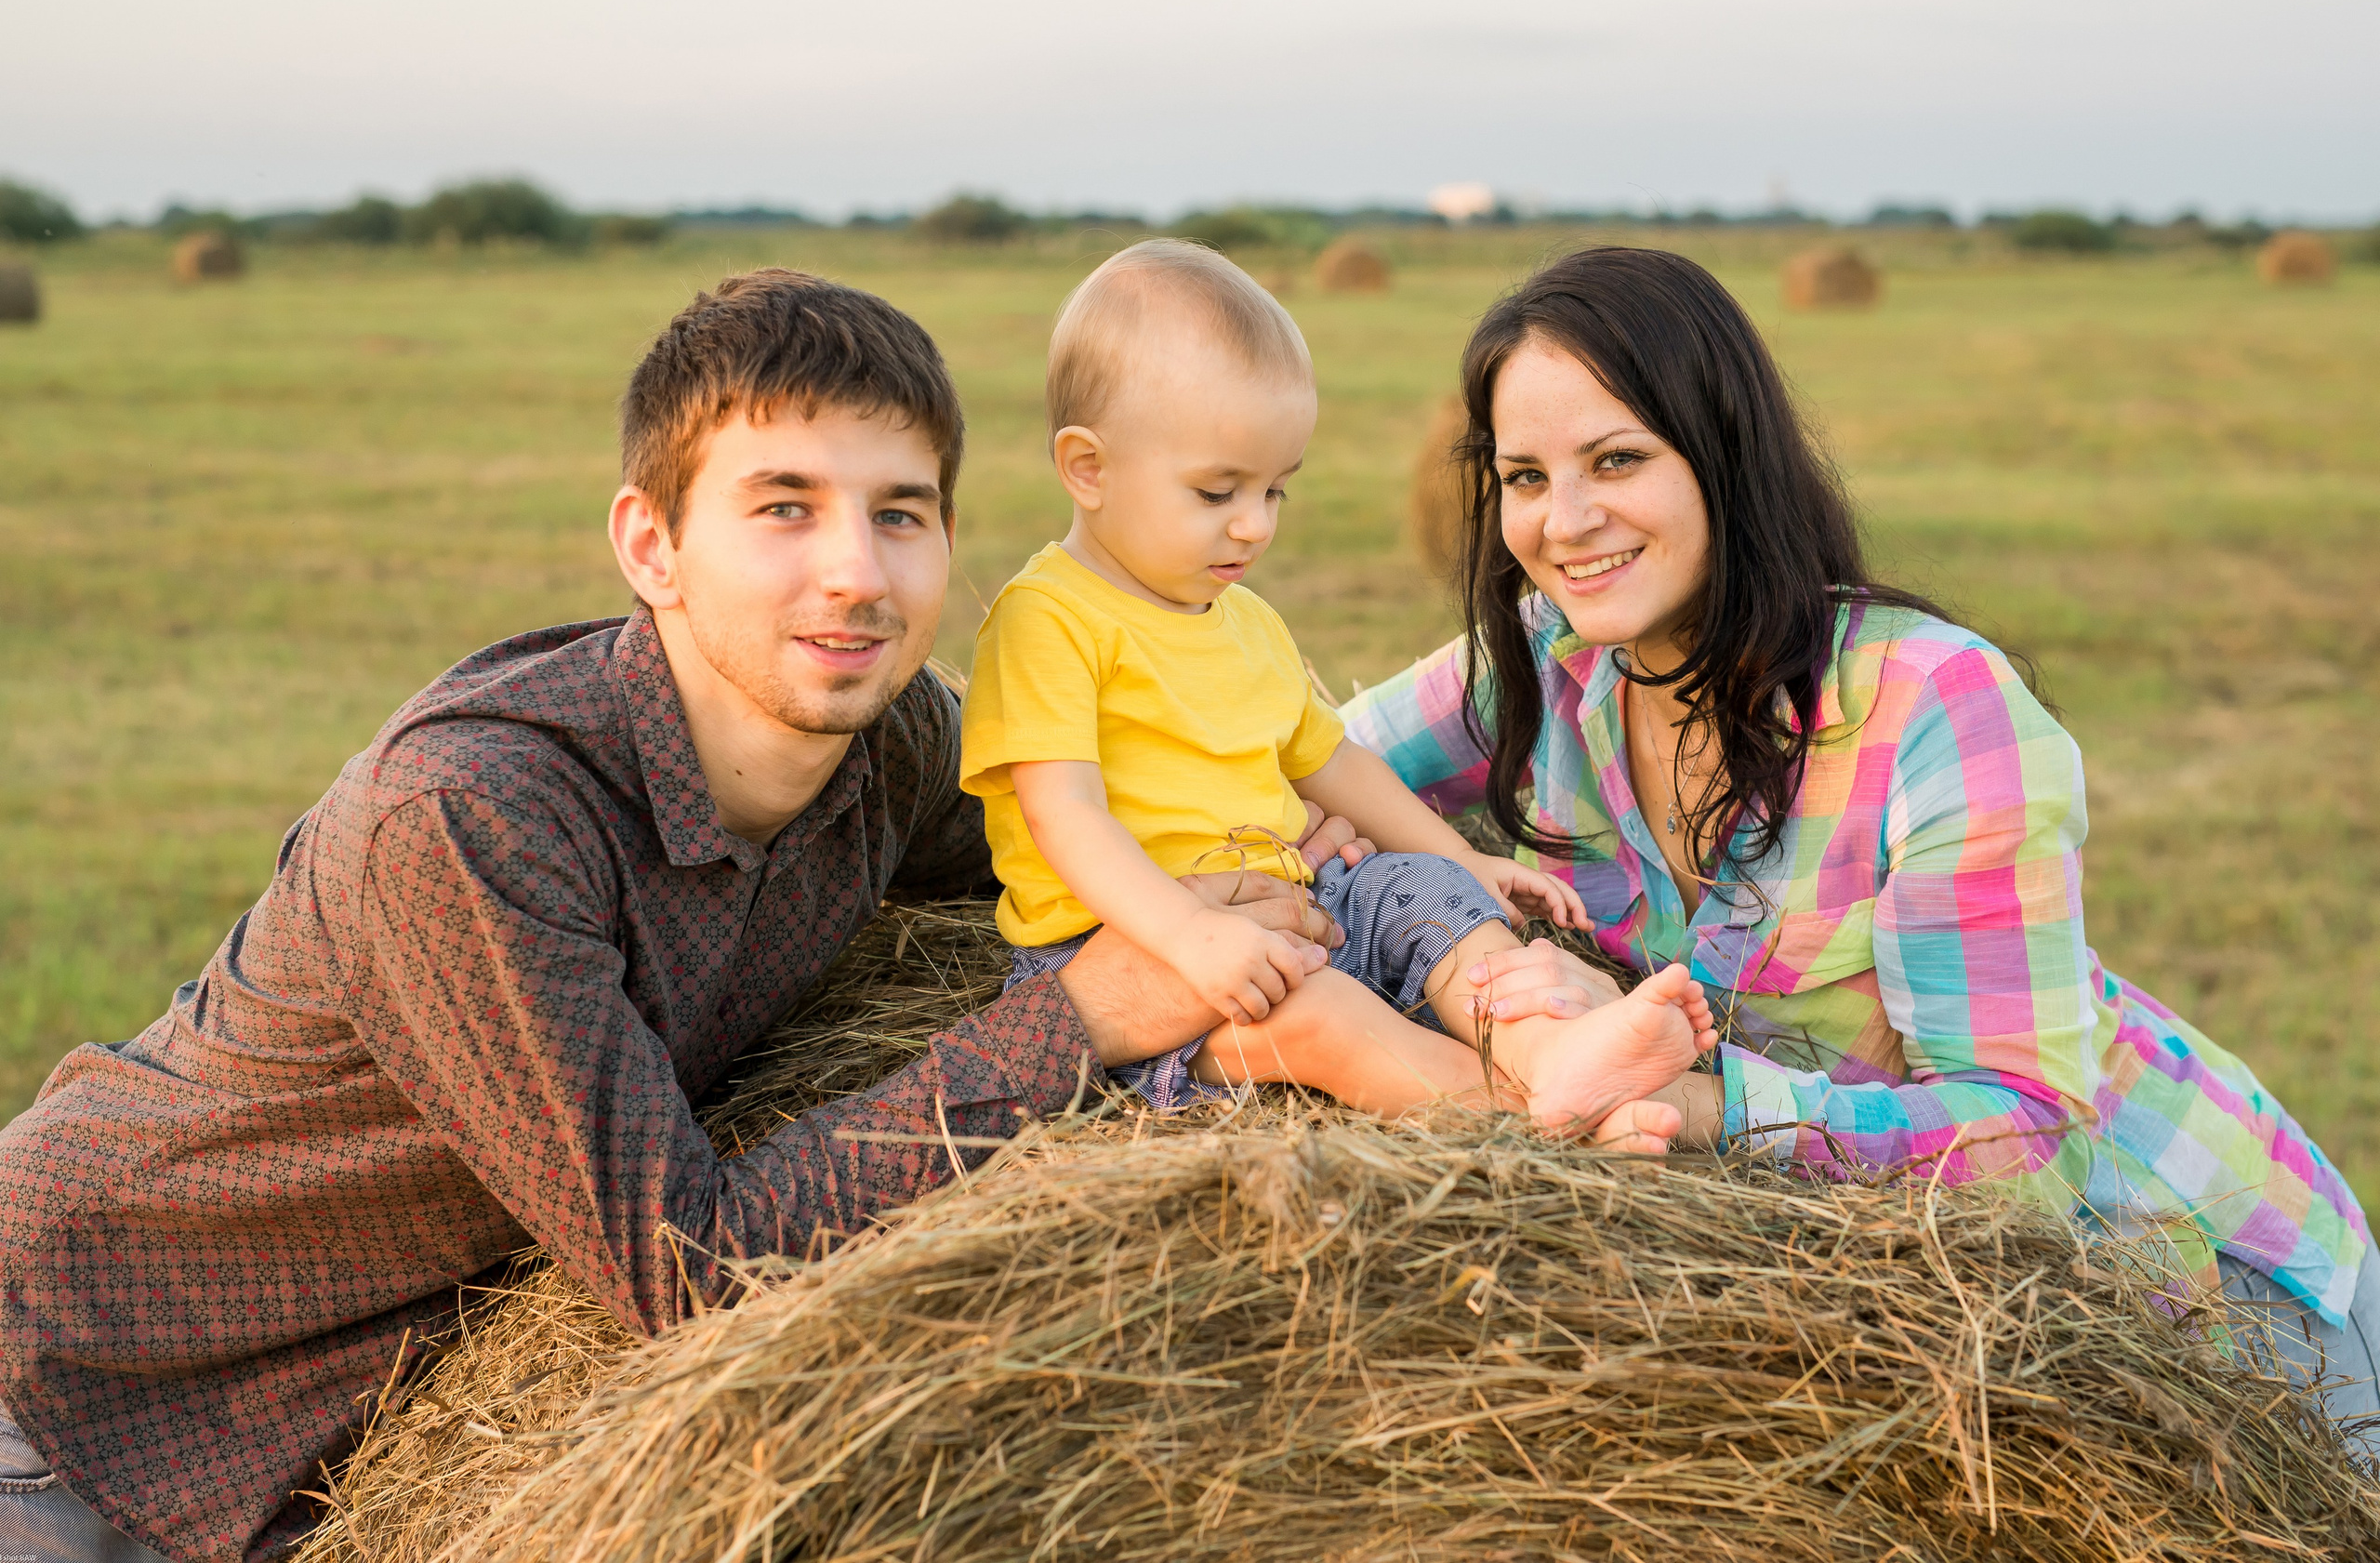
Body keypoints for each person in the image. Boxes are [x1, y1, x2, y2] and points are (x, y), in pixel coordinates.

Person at [0, 269, 1387, 1563]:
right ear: (650, 544)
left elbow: (1087, 841)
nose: (855, 573)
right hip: (72, 1397)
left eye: (899, 512)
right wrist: (1081, 1017)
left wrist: (1277, 839)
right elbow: (690, 1271)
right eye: (783, 506)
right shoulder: (474, 820)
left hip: (341, 1444)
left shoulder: (892, 745)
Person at [1342, 245, 2379, 1440]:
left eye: (1617, 459)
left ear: (1722, 454)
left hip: (2194, 1297)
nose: (1563, 522)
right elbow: (1290, 758)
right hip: (1921, 1305)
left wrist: (1698, 1102)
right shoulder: (1544, 659)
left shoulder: (1933, 705)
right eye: (1525, 475)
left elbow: (2028, 1149)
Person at [959, 240, 1715, 1135]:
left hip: (1297, 908)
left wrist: (1459, 859)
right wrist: (1190, 936)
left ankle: (1549, 1056)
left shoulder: (1244, 620)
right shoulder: (1048, 619)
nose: (1254, 524)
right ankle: (1536, 1116)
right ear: (1088, 468)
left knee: (1438, 905)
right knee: (1324, 1023)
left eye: (1276, 490)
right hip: (1127, 957)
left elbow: (1336, 761)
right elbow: (1067, 818)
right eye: (1217, 491)